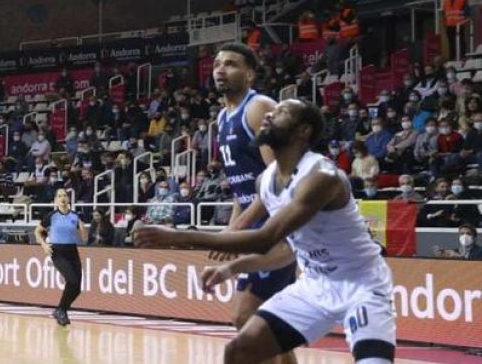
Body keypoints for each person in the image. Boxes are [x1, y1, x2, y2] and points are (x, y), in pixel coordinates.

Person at [134, 100, 398, 364]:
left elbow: (264, 239)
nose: (270, 115)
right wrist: (232, 267)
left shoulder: (322, 176)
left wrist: (176, 236)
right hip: (314, 285)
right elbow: (285, 250)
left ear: (303, 131)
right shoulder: (266, 181)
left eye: (282, 112)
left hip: (362, 285)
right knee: (239, 351)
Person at [211, 43, 297, 364]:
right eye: (217, 64)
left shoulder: (259, 107)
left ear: (249, 73)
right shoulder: (222, 117)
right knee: (270, 323)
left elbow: (277, 183)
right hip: (256, 225)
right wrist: (234, 228)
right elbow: (242, 188)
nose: (221, 69)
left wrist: (237, 228)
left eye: (231, 64)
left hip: (278, 226)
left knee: (245, 317)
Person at [34, 188, 86, 325]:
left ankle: (60, 309)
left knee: (77, 288)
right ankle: (61, 310)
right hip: (58, 251)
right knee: (72, 281)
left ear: (68, 199)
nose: (63, 198)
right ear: (56, 200)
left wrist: (83, 227)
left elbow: (83, 238)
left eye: (65, 195)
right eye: (60, 196)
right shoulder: (51, 216)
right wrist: (44, 245)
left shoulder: (75, 216)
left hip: (72, 251)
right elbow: (37, 232)